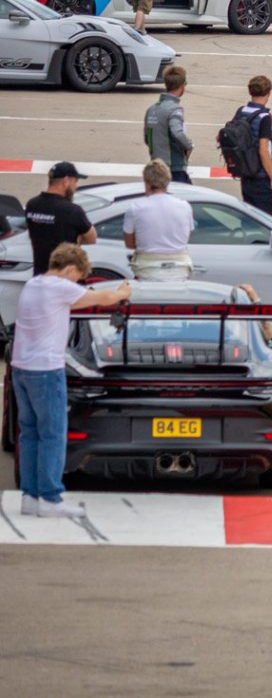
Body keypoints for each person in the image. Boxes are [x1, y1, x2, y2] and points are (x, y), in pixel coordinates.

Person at [14, 243, 132, 518]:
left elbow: (81, 298)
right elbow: (103, 299)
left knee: (30, 433)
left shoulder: (33, 285)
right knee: (53, 433)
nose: (77, 283)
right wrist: (123, 292)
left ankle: (30, 497)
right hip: (46, 370)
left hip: (22, 367)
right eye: (77, 277)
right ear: (69, 269)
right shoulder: (60, 287)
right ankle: (50, 498)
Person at [122, 160, 194, 281]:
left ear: (146, 182)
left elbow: (129, 243)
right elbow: (186, 237)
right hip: (180, 269)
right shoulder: (184, 206)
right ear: (168, 181)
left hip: (147, 269)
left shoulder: (135, 208)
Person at [24, 162, 96, 275]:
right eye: (75, 182)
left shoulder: (32, 205)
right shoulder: (72, 210)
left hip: (40, 274)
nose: (75, 187)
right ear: (66, 181)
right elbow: (92, 238)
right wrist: (78, 240)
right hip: (63, 277)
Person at [233, 75, 272, 219]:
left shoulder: (241, 111)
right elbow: (263, 149)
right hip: (261, 175)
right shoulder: (264, 117)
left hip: (245, 173)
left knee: (250, 218)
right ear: (268, 93)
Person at [144, 65, 193, 184]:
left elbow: (147, 138)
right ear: (182, 86)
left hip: (156, 166)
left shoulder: (152, 109)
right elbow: (177, 133)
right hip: (174, 168)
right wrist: (189, 145)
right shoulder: (174, 109)